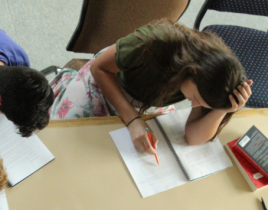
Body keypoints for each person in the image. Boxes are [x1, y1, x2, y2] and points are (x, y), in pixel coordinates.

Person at [49, 19, 252, 155]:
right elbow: (99, 67)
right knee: (64, 140)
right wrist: (133, 120)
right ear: (193, 72)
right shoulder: (156, 41)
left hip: (149, 100)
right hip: (108, 81)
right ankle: (63, 83)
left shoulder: (210, 85)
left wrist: (223, 109)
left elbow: (193, 138)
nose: (193, 105)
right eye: (196, 98)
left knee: (113, 159)